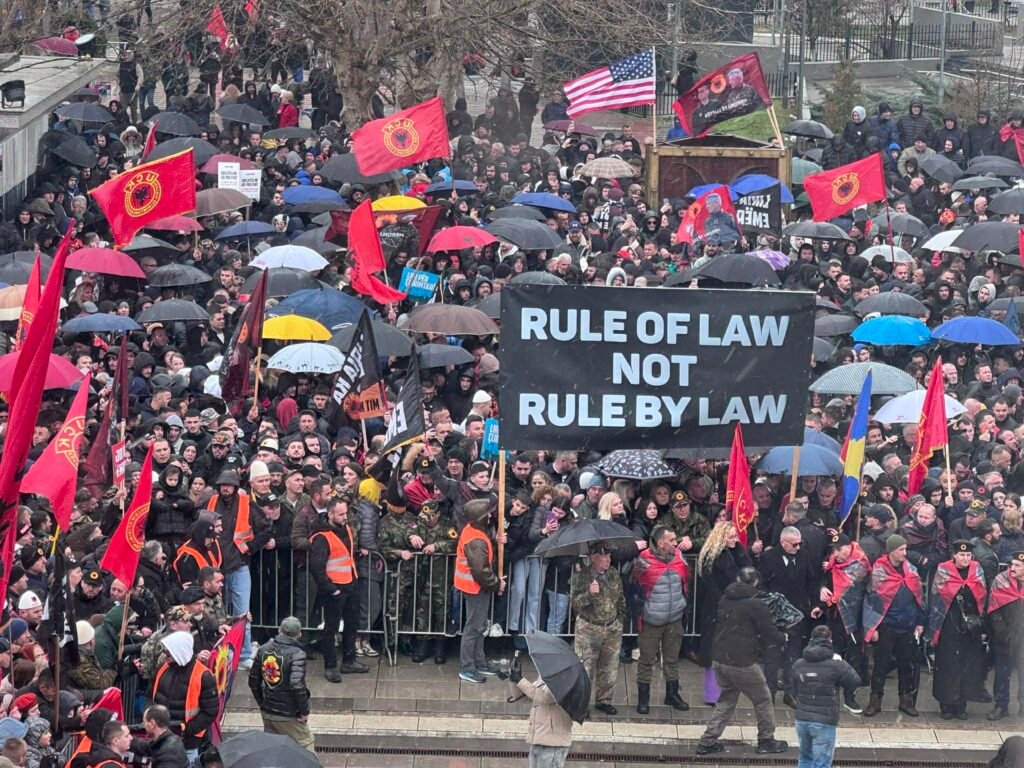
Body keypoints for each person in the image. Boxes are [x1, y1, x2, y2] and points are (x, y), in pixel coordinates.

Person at [696, 567, 788, 756]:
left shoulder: (725, 598)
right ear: (755, 583)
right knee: (763, 699)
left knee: (726, 701)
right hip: (742, 661)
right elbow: (770, 634)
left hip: (720, 658)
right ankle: (766, 740)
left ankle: (707, 742)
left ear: (738, 579)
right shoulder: (756, 605)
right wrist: (783, 637)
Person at [861, 535, 924, 717]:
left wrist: (919, 622)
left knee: (906, 666)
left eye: (905, 549)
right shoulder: (878, 571)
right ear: (891, 551)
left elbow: (919, 598)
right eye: (901, 550)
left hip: (907, 625)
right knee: (880, 665)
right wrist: (872, 628)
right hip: (886, 626)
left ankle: (906, 701)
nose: (905, 553)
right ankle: (875, 701)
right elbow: (871, 602)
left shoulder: (911, 570)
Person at [309, 495, 368, 683]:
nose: (345, 517)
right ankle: (330, 666)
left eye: (346, 513)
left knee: (352, 623)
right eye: (341, 514)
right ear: (330, 514)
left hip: (350, 583)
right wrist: (331, 589)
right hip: (335, 589)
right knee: (331, 628)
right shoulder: (321, 538)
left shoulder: (346, 528)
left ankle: (349, 661)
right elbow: (317, 568)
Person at [632, 526, 690, 715]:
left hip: (674, 618)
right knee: (647, 660)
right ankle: (643, 699)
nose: (676, 543)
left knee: (672, 660)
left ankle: (672, 694)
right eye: (672, 540)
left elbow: (686, 581)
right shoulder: (643, 561)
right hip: (651, 620)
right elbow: (633, 586)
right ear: (660, 542)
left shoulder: (680, 558)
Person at [927, 540, 987, 720]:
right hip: (949, 624)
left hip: (970, 627)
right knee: (947, 665)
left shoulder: (977, 570)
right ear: (954, 555)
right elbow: (936, 598)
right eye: (961, 555)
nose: (965, 558)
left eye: (968, 555)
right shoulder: (944, 569)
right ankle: (946, 704)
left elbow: (982, 596)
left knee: (967, 666)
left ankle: (962, 704)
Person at [791, 626, 862, 768]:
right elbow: (855, 680)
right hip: (824, 720)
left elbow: (791, 683)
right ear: (830, 640)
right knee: (821, 763)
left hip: (802, 719)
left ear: (811, 640)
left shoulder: (799, 664)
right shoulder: (836, 665)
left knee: (805, 758)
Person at [570, 541, 625, 715]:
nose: (608, 560)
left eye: (609, 556)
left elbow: (621, 598)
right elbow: (575, 604)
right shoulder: (582, 575)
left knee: (609, 668)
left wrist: (620, 620)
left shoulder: (614, 574)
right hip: (588, 627)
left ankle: (604, 700)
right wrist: (589, 594)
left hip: (611, 627)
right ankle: (581, 704)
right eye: (604, 556)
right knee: (585, 668)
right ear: (593, 557)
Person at [454, 499, 505, 684]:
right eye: (488, 513)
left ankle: (479, 662)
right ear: (480, 518)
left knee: (478, 626)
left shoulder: (473, 531)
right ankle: (467, 667)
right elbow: (481, 571)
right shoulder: (476, 539)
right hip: (475, 588)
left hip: (474, 587)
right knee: (474, 628)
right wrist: (496, 583)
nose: (491, 515)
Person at [151, 631, 218, 765]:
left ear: (178, 651)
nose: (165, 655)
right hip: (161, 737)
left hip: (188, 742)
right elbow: (150, 696)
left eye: (168, 652)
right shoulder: (162, 668)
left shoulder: (203, 676)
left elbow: (210, 712)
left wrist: (186, 730)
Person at [248, 617, 312, 751]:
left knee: (274, 751)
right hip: (289, 713)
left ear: (279, 631)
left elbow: (253, 680)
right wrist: (304, 711)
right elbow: (297, 685)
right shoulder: (297, 654)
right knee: (306, 746)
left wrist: (262, 702)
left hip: (268, 710)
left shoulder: (263, 649)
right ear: (299, 635)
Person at [509, 655, 573, 768]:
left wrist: (520, 680)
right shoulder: (544, 678)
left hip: (554, 744)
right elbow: (522, 698)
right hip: (538, 739)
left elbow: (545, 697)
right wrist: (513, 679)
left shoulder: (565, 679)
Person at [986, 551, 1024, 721]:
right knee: (1003, 672)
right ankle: (1001, 705)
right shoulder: (1001, 580)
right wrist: (1002, 633)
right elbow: (994, 609)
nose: (1013, 568)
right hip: (1005, 635)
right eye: (1012, 564)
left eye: (1018, 565)